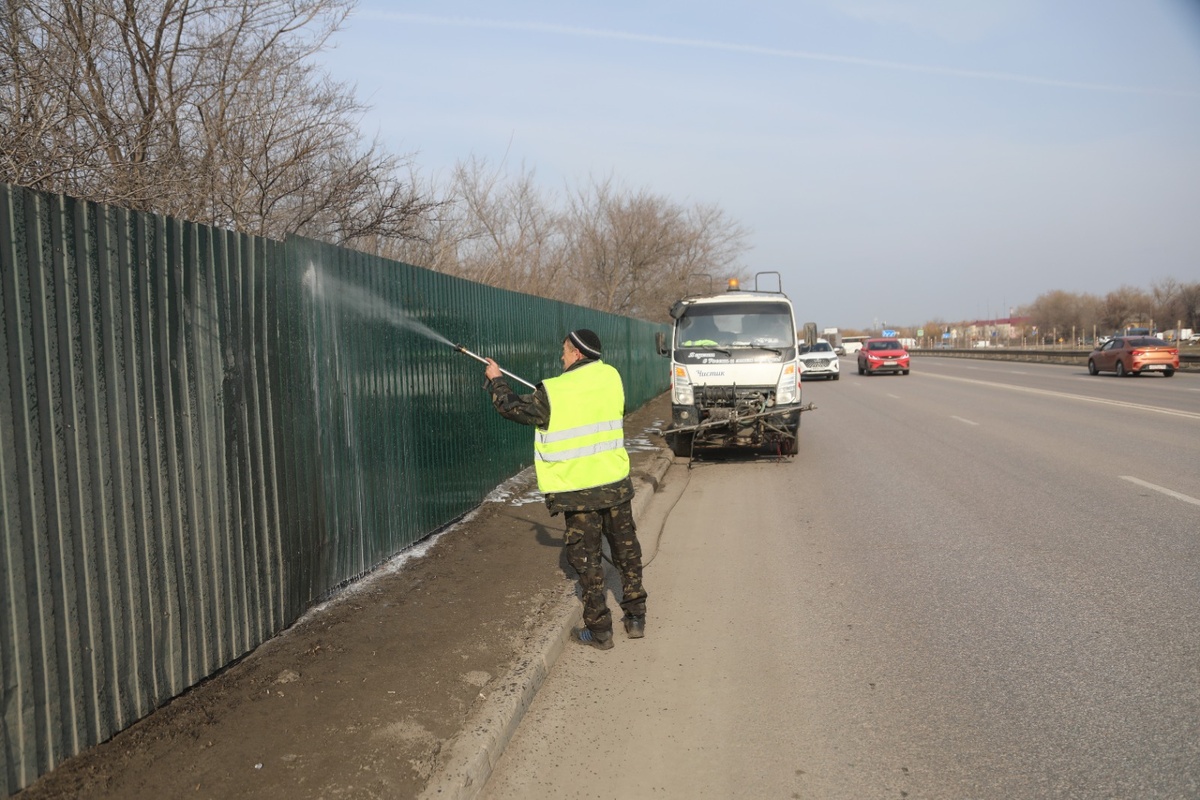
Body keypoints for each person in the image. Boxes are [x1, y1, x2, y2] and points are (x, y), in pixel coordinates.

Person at [483, 329, 647, 651]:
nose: (561, 357)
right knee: (626, 551)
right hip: (615, 485)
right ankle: (636, 618)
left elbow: (512, 408)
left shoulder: (553, 391)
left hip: (579, 491)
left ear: (576, 354)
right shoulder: (612, 377)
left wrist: (496, 380)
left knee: (587, 562)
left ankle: (600, 632)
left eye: (564, 351)